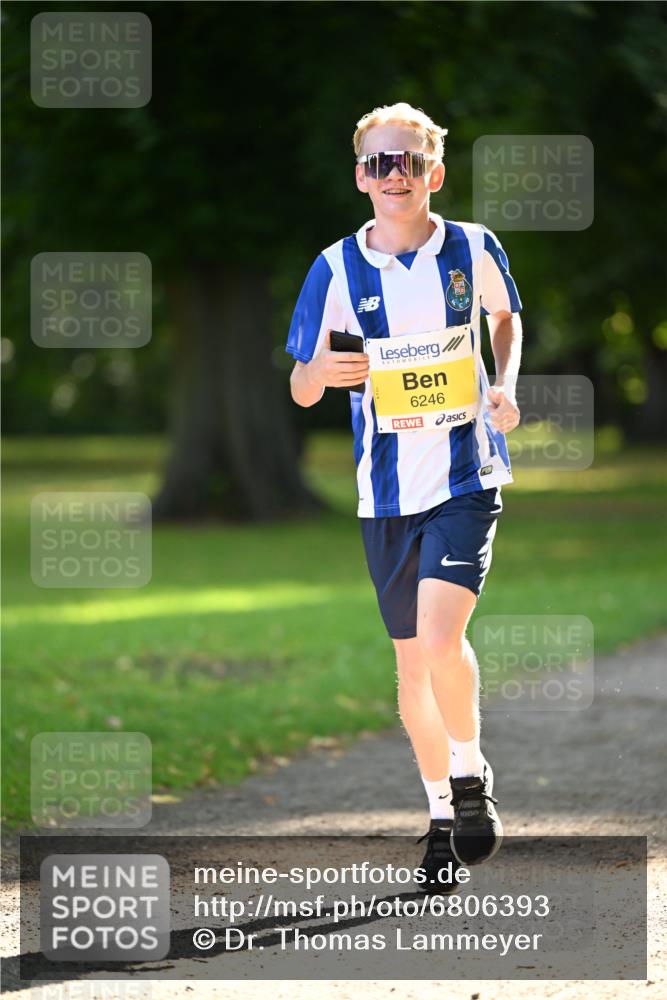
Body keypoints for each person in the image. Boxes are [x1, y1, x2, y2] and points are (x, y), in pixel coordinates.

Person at [285, 102, 522, 893]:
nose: (395, 175)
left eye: (409, 162)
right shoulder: (335, 269)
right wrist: (321, 373)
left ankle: (470, 774)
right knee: (412, 666)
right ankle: (440, 818)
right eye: (380, 163)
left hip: (464, 478)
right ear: (360, 176)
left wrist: (503, 385)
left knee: (438, 637)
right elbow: (300, 384)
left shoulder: (472, 247)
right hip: (384, 495)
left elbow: (504, 318)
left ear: (434, 174)